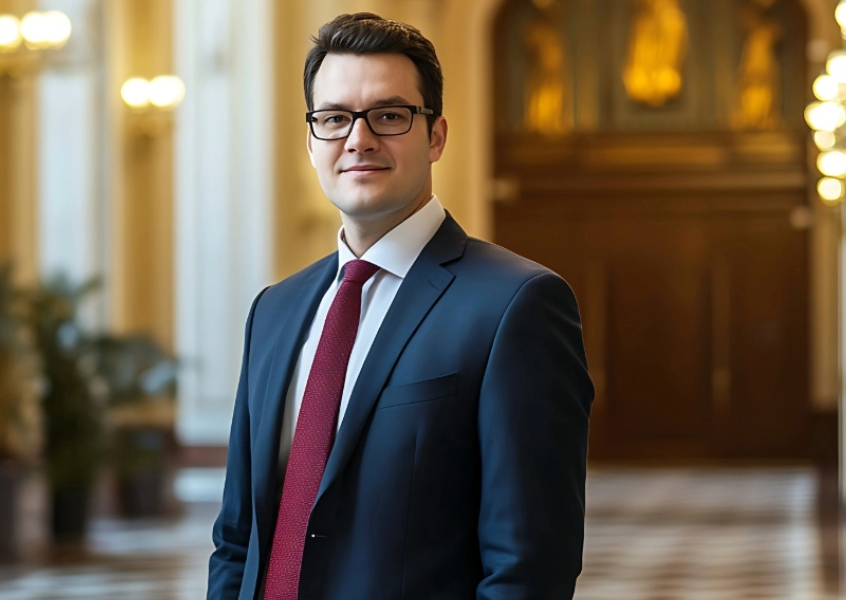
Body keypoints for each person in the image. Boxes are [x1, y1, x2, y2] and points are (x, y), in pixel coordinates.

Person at [206, 12, 595, 600]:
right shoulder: (274, 312)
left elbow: (529, 566)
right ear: (312, 140)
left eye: (389, 116)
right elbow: (238, 539)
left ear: (435, 135)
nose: (359, 139)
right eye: (334, 118)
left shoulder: (515, 306)